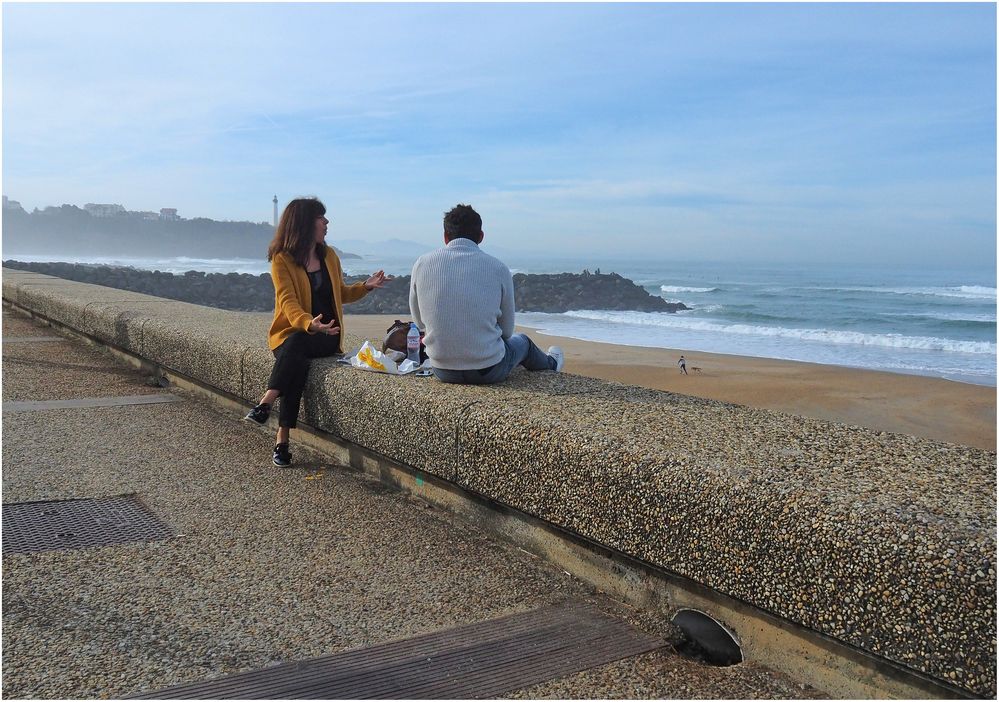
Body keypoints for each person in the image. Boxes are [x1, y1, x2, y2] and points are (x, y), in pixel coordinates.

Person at [244, 197, 391, 466]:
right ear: (304, 223)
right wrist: (308, 323)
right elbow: (287, 302)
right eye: (320, 218)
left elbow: (341, 293)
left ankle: (267, 402)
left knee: (297, 350)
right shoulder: (282, 259)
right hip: (293, 333)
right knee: (297, 356)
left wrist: (365, 286)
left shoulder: (329, 255)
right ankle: (281, 440)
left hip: (327, 335)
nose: (326, 222)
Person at [409, 203, 563, 385]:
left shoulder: (422, 264)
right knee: (523, 342)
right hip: (489, 371)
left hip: (442, 370)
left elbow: (419, 323)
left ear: (445, 236)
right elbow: (507, 332)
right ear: (481, 236)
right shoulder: (498, 268)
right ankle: (551, 363)